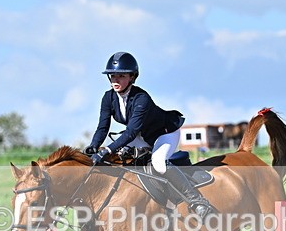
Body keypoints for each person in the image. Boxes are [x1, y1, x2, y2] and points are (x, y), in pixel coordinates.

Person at [85, 51, 210, 219]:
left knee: (158, 163)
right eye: (112, 76)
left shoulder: (141, 98)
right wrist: (93, 147)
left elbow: (130, 132)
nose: (115, 80)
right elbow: (102, 127)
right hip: (141, 135)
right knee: (120, 158)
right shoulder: (108, 97)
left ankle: (197, 200)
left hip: (164, 134)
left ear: (132, 77)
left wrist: (106, 149)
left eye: (121, 76)